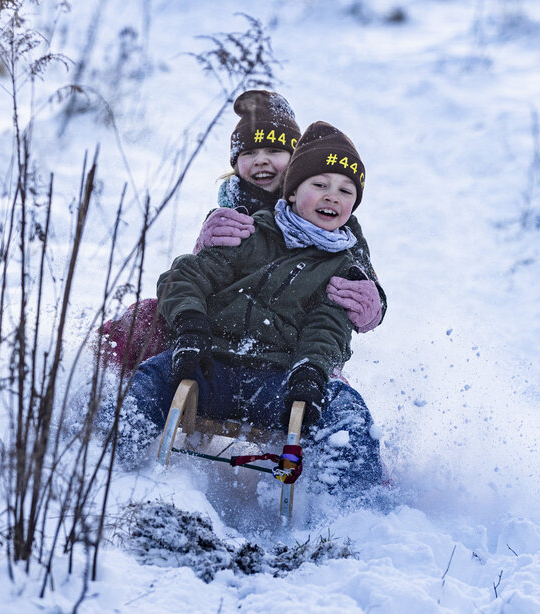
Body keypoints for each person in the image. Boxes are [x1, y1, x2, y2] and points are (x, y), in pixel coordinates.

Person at [115, 121, 384, 499]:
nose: (332, 197)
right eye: (320, 185)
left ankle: (351, 510)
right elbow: (186, 276)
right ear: (291, 192)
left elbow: (329, 327)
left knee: (347, 414)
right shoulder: (247, 231)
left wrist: (310, 371)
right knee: (149, 379)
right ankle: (107, 463)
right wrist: (191, 329)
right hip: (212, 365)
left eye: (345, 191)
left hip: (282, 382)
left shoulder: (343, 260)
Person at [100, 90, 386, 372]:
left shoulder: (336, 222)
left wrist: (373, 304)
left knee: (328, 380)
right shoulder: (231, 211)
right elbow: (199, 272)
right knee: (147, 316)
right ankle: (96, 382)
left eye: (274, 151)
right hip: (219, 328)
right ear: (236, 163)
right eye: (250, 152)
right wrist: (203, 243)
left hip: (290, 340)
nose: (261, 160)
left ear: (297, 161)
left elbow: (359, 274)